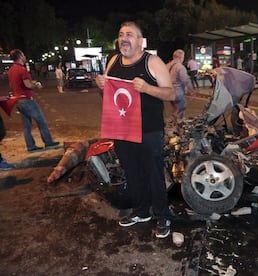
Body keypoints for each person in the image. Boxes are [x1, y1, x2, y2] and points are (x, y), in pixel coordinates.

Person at [95, 21, 176, 239]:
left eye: (129, 34)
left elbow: (171, 95)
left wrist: (147, 88)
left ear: (141, 41)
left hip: (148, 130)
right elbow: (108, 98)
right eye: (121, 34)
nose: (124, 38)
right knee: (132, 172)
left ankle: (162, 215)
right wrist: (101, 86)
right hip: (121, 129)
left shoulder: (153, 62)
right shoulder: (113, 61)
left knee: (154, 174)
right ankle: (142, 211)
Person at [7, 49, 60, 153]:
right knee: (42, 121)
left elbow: (12, 84)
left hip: (18, 99)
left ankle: (31, 147)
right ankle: (48, 142)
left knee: (27, 125)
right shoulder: (21, 70)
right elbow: (27, 85)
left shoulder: (11, 70)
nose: (24, 56)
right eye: (22, 54)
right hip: (27, 100)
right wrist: (36, 84)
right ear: (20, 56)